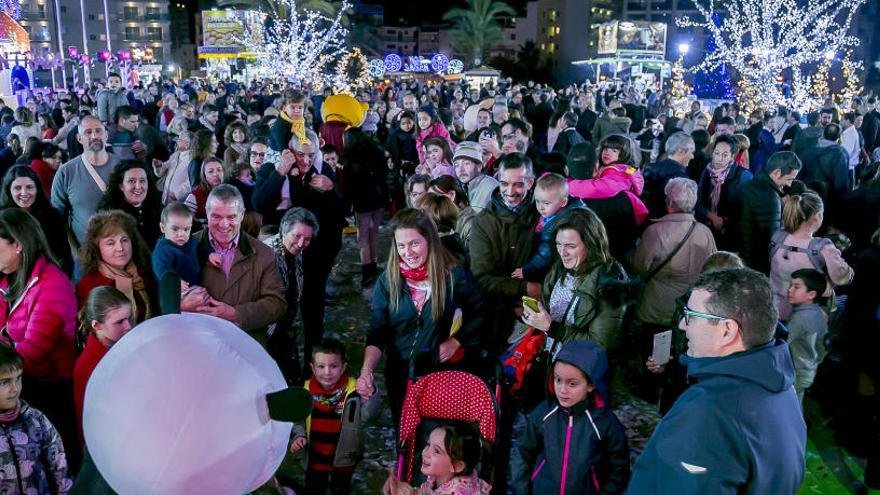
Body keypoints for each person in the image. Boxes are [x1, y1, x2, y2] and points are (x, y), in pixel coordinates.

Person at [628, 268, 806, 494]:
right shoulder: (780, 385)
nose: (683, 324)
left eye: (691, 315)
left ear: (727, 331)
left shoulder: (709, 411)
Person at [357, 208, 485, 425]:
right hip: (400, 374)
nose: (408, 252)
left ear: (429, 241)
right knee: (404, 438)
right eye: (401, 245)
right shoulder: (388, 281)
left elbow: (480, 312)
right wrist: (367, 370)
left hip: (440, 375)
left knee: (435, 440)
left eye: (414, 243)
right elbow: (378, 330)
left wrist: (457, 340)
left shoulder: (454, 276)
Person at [0, 207, 79, 469]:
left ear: (18, 245)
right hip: (21, 385)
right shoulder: (9, 280)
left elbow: (32, 354)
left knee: (55, 468)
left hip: (49, 393)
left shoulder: (53, 284)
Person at [510, 340, 629, 495]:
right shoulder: (543, 413)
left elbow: (618, 468)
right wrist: (522, 490)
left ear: (591, 385)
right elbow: (523, 451)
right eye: (558, 380)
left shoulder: (604, 423)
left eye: (572, 384)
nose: (562, 390)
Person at [522, 208, 629, 360]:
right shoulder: (559, 268)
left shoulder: (610, 282)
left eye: (571, 246)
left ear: (591, 244)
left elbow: (599, 346)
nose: (562, 252)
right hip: (554, 365)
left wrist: (551, 327)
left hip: (579, 374)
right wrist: (537, 315)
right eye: (559, 244)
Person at [181, 185, 287, 335]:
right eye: (216, 216)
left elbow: (277, 305)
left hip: (246, 345)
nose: (224, 225)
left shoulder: (264, 254)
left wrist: (236, 314)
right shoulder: (183, 248)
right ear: (206, 212)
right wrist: (181, 305)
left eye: (231, 217)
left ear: (242, 215)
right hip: (199, 342)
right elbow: (161, 296)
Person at [469, 153, 540, 354]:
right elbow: (481, 278)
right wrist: (524, 288)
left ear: (531, 182)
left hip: (537, 310)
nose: (510, 192)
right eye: (504, 184)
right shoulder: (483, 222)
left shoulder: (543, 214)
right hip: (494, 314)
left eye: (518, 184)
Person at [289, 339, 381, 495]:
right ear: (312, 367)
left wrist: (371, 393)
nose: (327, 372)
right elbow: (298, 421)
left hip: (344, 461)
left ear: (343, 367)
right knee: (313, 490)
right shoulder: (304, 392)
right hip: (314, 460)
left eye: (333, 366)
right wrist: (298, 436)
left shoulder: (353, 391)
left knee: (341, 490)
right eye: (321, 366)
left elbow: (368, 416)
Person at [632, 178, 717, 330]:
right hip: (690, 311)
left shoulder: (655, 231)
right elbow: (713, 271)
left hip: (656, 309)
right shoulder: (705, 233)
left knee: (654, 351)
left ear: (670, 203)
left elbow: (639, 268)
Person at [769, 191, 853, 321]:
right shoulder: (824, 247)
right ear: (816, 216)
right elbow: (842, 278)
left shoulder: (777, 236)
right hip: (808, 314)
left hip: (775, 307)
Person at [0, 343, 73, 493]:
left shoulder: (35, 419)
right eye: (5, 382)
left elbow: (60, 466)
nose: (15, 388)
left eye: (18, 378)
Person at [51, 116, 122, 246]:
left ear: (106, 135)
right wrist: (74, 250)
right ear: (79, 138)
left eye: (98, 131)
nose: (94, 136)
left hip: (120, 248)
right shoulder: (66, 172)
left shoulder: (123, 167)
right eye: (88, 132)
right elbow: (57, 217)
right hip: (85, 250)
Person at [73, 286, 132, 440]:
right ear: (96, 325)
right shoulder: (87, 367)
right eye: (119, 322)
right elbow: (87, 424)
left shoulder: (125, 343)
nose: (128, 326)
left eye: (129, 318)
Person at [0, 165, 73, 275]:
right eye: (17, 188)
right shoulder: (2, 220)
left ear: (37, 189)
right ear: (8, 190)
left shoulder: (52, 216)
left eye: (29, 187)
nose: (24, 193)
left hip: (48, 278)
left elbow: (64, 255)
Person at [382, 424, 490, 495]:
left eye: (437, 451)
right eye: (428, 444)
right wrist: (406, 491)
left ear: (457, 466)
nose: (425, 453)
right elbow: (425, 492)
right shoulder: (438, 477)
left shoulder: (458, 491)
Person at [512, 173, 583, 283]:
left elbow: (545, 253)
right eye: (537, 201)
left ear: (563, 202)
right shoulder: (554, 211)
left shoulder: (559, 225)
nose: (540, 207)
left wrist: (528, 270)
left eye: (546, 203)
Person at [739, 152, 802, 273]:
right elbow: (771, 238)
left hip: (743, 255)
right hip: (757, 263)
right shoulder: (770, 197)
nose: (790, 184)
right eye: (789, 179)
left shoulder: (749, 185)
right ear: (777, 173)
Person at [568, 134, 649, 226]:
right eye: (605, 148)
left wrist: (569, 186)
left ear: (624, 154)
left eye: (614, 150)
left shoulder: (619, 173)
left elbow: (598, 188)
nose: (607, 152)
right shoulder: (609, 168)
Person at [342, 127, 388, 287]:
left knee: (363, 236)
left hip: (363, 201)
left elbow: (348, 186)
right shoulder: (376, 151)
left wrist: (346, 207)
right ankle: (374, 264)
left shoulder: (350, 158)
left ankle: (367, 271)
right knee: (374, 232)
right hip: (379, 198)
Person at [695, 134, 753, 251]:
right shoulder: (706, 171)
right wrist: (711, 216)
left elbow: (746, 209)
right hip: (705, 229)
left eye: (724, 155)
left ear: (732, 157)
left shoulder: (743, 176)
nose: (719, 159)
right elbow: (697, 201)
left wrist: (725, 221)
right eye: (716, 153)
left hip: (730, 235)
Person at [151, 202, 221, 289]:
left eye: (186, 229)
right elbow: (161, 269)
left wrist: (210, 254)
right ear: (163, 228)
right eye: (175, 229)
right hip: (176, 291)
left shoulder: (189, 240)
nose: (181, 234)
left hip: (195, 284)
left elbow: (200, 248)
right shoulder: (163, 249)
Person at [96, 160, 163, 247]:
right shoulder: (108, 214)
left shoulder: (159, 208)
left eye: (142, 181)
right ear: (121, 186)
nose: (138, 187)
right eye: (131, 181)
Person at [785, 268, 828, 402]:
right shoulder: (818, 313)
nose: (790, 290)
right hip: (808, 369)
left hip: (796, 371)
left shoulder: (800, 319)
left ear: (811, 294)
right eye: (790, 285)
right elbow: (823, 347)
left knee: (789, 406)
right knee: (796, 402)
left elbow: (782, 343)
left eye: (796, 287)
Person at [642, 132, 693, 219]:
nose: (692, 156)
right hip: (664, 226)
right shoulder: (679, 178)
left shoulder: (650, 168)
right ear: (680, 152)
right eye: (691, 151)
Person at [452, 141, 498, 212]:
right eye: (457, 165)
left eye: (466, 164)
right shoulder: (459, 187)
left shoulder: (490, 186)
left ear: (479, 166)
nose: (461, 170)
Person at [184, 156, 225, 226]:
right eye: (210, 171)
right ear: (204, 175)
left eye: (219, 170)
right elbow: (183, 220)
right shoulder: (195, 195)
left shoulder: (230, 192)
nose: (216, 174)